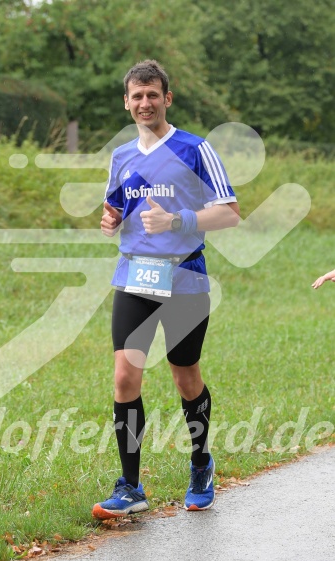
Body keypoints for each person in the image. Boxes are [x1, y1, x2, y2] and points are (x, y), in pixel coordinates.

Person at [92, 60, 240, 520]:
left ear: (166, 98)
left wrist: (179, 220)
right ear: (126, 102)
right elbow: (115, 210)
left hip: (185, 277)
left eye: (152, 94)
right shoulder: (121, 157)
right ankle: (130, 486)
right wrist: (110, 220)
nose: (144, 103)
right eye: (136, 96)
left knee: (185, 376)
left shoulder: (195, 149)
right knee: (124, 377)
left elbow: (231, 213)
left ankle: (200, 465)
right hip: (134, 277)